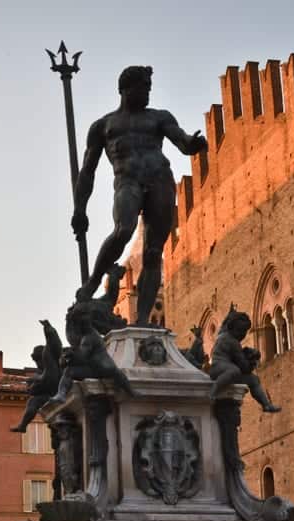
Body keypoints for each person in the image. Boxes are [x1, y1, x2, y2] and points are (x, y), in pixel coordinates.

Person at [71, 65, 207, 326]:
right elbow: (87, 171)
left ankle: (143, 321)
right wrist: (80, 209)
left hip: (160, 180)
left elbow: (182, 141)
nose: (147, 94)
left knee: (154, 252)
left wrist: (193, 145)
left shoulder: (159, 117)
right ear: (124, 89)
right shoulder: (103, 126)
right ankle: (93, 281)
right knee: (123, 229)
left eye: (149, 89)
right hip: (127, 181)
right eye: (142, 88)